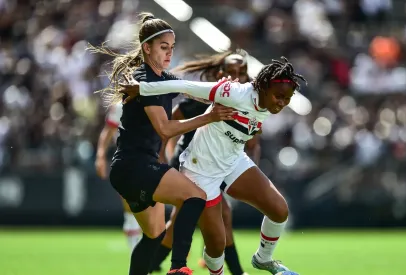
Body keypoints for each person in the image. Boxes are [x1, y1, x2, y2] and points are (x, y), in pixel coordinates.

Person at [120, 57, 306, 275]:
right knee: (217, 245)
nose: (282, 103)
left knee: (279, 210)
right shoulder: (232, 92)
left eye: (287, 99)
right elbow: (185, 86)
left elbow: (250, 130)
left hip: (233, 162)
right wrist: (142, 88)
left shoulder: (268, 104)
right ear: (264, 87)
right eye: (279, 97)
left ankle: (263, 259)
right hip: (200, 171)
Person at [88, 12, 237, 275]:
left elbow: (196, 91)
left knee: (153, 236)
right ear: (147, 48)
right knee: (196, 196)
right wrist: (210, 116)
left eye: (172, 48)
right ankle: (178, 267)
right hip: (136, 167)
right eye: (163, 47)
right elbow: (165, 128)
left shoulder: (163, 79)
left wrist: (227, 91)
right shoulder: (143, 80)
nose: (169, 53)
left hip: (129, 169)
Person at [150, 50, 259, 275]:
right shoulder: (202, 99)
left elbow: (253, 143)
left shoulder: (249, 104)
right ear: (221, 74)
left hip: (216, 168)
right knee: (221, 215)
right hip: (191, 164)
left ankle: (151, 264)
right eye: (231, 72)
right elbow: (167, 127)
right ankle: (236, 271)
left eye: (242, 73)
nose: (237, 77)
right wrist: (163, 157)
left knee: (182, 222)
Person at [95, 102, 142, 252]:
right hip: (127, 160)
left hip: (151, 159)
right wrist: (100, 155)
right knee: (131, 208)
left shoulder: (157, 100)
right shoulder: (121, 106)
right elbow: (109, 130)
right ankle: (135, 254)